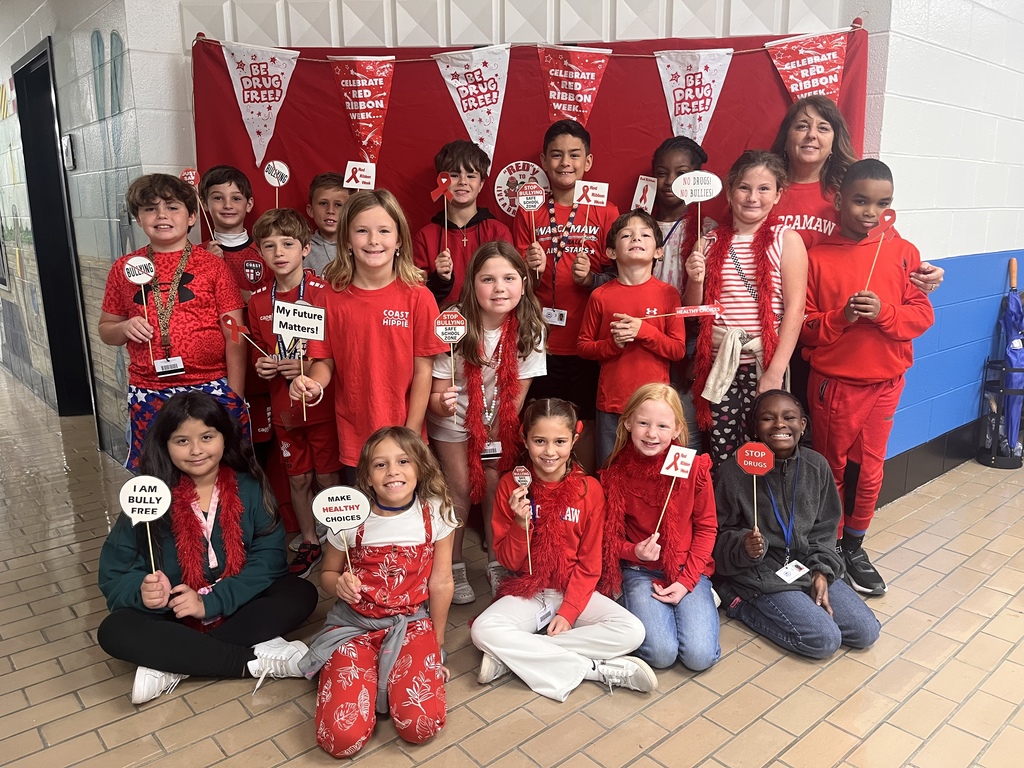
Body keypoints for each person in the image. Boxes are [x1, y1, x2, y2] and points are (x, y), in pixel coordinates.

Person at [96, 392, 318, 704]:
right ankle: (248, 662)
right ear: (165, 445)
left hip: (237, 602)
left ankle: (173, 663)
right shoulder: (148, 497)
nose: (196, 450)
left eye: (207, 437)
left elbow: (269, 559)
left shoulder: (250, 485)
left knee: (299, 593)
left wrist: (212, 602)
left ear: (224, 438)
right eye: (182, 441)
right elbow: (114, 572)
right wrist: (144, 594)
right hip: (173, 612)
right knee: (114, 630)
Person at [801, 159, 934, 595]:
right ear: (839, 200)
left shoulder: (904, 252)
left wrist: (885, 313)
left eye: (882, 204)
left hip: (887, 381)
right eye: (860, 201)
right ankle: (830, 544)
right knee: (832, 465)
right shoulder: (817, 257)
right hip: (835, 382)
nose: (870, 212)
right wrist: (840, 318)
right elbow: (802, 323)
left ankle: (856, 544)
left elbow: (922, 315)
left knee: (871, 468)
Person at [470, 398, 658, 701]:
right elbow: (508, 560)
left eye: (559, 441)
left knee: (632, 630)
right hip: (529, 589)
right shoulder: (510, 486)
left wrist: (569, 613)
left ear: (575, 439)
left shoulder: (589, 490)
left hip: (573, 589)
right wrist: (521, 524)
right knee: (482, 631)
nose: (549, 452)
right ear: (525, 439)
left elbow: (589, 564)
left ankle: (512, 659)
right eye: (539, 441)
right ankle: (596, 669)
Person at [298, 427, 455, 758]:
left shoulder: (436, 511)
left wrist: (436, 646)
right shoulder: (351, 518)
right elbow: (328, 574)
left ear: (420, 468)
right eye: (380, 465)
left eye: (403, 461)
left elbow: (440, 582)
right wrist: (337, 584)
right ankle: (348, 674)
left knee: (420, 726)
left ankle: (385, 678)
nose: (393, 471)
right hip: (354, 626)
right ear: (367, 477)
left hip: (411, 624)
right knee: (339, 740)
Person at [289, 190, 447, 481]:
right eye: (362, 231)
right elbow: (324, 361)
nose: (373, 241)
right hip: (355, 436)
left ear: (399, 239)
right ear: (347, 240)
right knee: (364, 519)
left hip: (406, 432)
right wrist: (312, 383)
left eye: (384, 231)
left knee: (404, 517)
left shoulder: (419, 297)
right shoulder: (330, 298)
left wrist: (411, 432)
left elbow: (424, 370)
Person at [713, 390, 880, 659]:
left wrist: (822, 571)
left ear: (802, 425)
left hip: (805, 562)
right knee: (824, 641)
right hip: (760, 571)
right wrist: (743, 545)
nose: (779, 424)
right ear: (755, 428)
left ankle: (803, 598)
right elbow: (715, 533)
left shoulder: (816, 466)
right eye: (768, 418)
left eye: (788, 417)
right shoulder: (733, 473)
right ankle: (738, 603)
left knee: (865, 632)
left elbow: (825, 529)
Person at [98, 174, 249, 471]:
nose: (162, 215)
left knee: (220, 475)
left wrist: (235, 396)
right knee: (157, 477)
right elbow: (106, 330)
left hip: (209, 388)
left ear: (192, 216)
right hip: (149, 391)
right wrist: (124, 328)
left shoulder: (213, 266)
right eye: (150, 209)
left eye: (172, 207)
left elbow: (236, 335)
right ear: (139, 219)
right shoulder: (123, 269)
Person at [427, 241, 546, 602]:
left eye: (509, 278)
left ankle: (497, 561)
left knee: (495, 483)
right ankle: (454, 563)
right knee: (460, 489)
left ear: (523, 283)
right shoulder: (453, 324)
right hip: (454, 420)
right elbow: (434, 394)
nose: (499, 288)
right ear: (471, 284)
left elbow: (517, 393)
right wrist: (441, 405)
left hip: (498, 421)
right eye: (488, 279)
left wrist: (494, 427)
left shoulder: (531, 327)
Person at [686, 151, 807, 467]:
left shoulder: (787, 240)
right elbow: (693, 310)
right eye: (744, 188)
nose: (753, 197)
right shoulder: (708, 243)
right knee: (723, 449)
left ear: (778, 193)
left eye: (764, 188)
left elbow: (795, 310)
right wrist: (696, 278)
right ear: (729, 192)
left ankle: (763, 516)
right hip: (720, 367)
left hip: (764, 362)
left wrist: (775, 370)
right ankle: (729, 513)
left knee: (767, 447)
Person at [512, 119, 620, 470]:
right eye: (556, 155)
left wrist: (591, 279)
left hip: (588, 338)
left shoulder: (605, 210)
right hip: (541, 339)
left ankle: (582, 489)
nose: (565, 163)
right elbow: (514, 284)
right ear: (543, 160)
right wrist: (531, 268)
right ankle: (545, 492)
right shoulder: (529, 211)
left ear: (588, 162)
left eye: (574, 155)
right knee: (543, 422)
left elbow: (620, 278)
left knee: (583, 421)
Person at [248, 208, 342, 578]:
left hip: (321, 404)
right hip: (284, 405)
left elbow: (335, 353)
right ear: (260, 252)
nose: (279, 252)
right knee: (298, 478)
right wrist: (264, 366)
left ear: (305, 249)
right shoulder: (258, 301)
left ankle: (337, 540)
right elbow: (260, 351)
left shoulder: (324, 293)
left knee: (328, 478)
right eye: (269, 246)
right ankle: (309, 540)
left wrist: (305, 368)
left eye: (287, 243)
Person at [599, 384, 720, 671]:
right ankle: (639, 605)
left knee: (699, 657)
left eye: (663, 426)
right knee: (662, 655)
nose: (652, 434)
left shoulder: (692, 468)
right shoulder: (614, 474)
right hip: (640, 571)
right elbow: (605, 538)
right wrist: (634, 551)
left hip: (686, 567)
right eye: (643, 423)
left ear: (677, 428)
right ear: (628, 422)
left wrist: (687, 581)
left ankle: (700, 600)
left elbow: (706, 528)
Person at [578, 210, 686, 466]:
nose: (636, 238)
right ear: (612, 252)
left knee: (654, 472)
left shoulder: (668, 294)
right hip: (612, 404)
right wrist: (612, 345)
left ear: (658, 251)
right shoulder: (600, 296)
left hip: (656, 407)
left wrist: (643, 332)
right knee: (609, 469)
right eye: (627, 235)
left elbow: (678, 350)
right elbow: (583, 347)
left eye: (645, 235)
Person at [652, 136, 715, 453]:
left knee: (686, 423)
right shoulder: (639, 224)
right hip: (650, 332)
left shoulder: (708, 231)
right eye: (662, 172)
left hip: (691, 338)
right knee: (650, 419)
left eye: (681, 173)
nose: (670, 181)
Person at [413, 140, 514, 306]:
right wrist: (439, 279)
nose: (462, 181)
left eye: (471, 176)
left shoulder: (498, 232)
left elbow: (510, 283)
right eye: (453, 175)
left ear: (481, 184)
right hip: (443, 324)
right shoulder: (425, 236)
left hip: (488, 323)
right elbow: (416, 293)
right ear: (441, 182)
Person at [199, 165, 272, 299]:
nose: (228, 205)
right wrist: (204, 265)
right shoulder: (196, 254)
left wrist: (246, 297)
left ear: (249, 205)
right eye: (218, 198)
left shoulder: (265, 251)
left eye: (236, 198)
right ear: (204, 204)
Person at [305, 172, 351, 276]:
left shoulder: (359, 247)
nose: (330, 210)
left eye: (338, 205)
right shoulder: (299, 248)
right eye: (323, 203)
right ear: (311, 210)